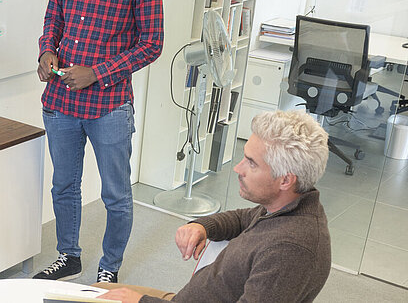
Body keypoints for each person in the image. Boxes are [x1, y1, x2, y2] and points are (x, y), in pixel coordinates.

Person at [35, 0, 163, 284]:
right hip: (61, 103)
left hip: (109, 106)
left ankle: (109, 267)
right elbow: (54, 16)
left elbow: (152, 44)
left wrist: (99, 73)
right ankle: (68, 255)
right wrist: (46, 51)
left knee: (115, 194)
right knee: (64, 187)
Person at [97, 110, 332, 302]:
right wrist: (203, 226)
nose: (238, 169)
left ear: (285, 180)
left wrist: (140, 302)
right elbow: (242, 219)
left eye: (251, 163)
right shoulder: (284, 207)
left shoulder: (289, 250)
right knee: (97, 290)